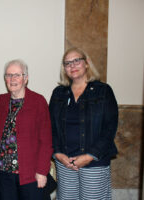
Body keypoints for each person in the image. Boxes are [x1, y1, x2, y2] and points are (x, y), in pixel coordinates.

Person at [49, 47, 118, 199]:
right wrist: (57, 153)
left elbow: (110, 128)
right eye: (67, 63)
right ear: (64, 69)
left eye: (76, 61)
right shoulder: (59, 93)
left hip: (93, 162)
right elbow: (51, 127)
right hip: (65, 162)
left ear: (86, 63)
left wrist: (90, 156)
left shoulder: (103, 91)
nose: (72, 66)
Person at [0, 59, 53, 200]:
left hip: (30, 173)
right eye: (8, 75)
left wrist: (42, 171)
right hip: (3, 171)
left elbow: (46, 140)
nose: (12, 79)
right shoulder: (1, 100)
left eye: (17, 75)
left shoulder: (38, 101)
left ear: (26, 78)